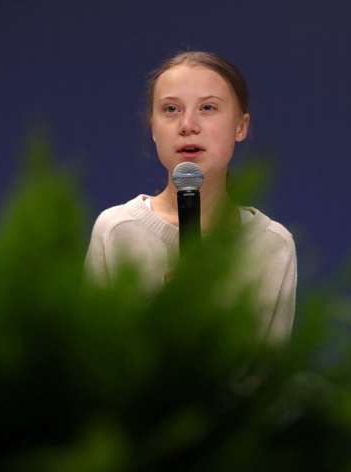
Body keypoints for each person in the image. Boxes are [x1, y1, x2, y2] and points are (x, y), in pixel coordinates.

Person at [85, 51, 296, 341]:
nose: (187, 125)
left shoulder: (271, 244)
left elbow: (266, 373)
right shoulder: (117, 230)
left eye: (208, 108)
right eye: (171, 109)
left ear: (241, 126)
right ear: (153, 128)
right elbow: (92, 362)